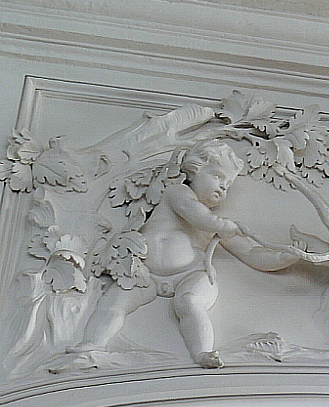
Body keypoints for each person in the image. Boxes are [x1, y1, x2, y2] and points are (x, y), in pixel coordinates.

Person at [67, 139, 299, 368]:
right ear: (194, 169)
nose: (223, 187)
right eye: (218, 176)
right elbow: (195, 213)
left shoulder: (214, 225)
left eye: (227, 185)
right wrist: (222, 225)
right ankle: (92, 345)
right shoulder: (177, 194)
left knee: (190, 302)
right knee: (114, 302)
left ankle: (202, 353)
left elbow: (253, 254)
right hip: (145, 274)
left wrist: (289, 256)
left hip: (191, 273)